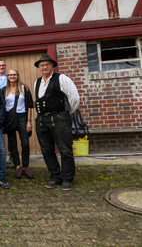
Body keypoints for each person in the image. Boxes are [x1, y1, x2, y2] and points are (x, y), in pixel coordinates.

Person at [34, 54, 80, 191]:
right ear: (39, 67)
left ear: (52, 66)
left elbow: (74, 98)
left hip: (59, 119)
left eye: (47, 64)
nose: (45, 67)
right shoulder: (37, 82)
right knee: (46, 150)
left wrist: (64, 114)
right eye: (42, 65)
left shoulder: (61, 78)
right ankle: (55, 176)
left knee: (65, 150)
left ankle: (67, 178)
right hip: (42, 120)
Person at [2, 69, 35, 179]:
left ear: (17, 76)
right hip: (10, 118)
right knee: (13, 144)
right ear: (8, 77)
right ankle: (17, 166)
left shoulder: (24, 88)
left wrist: (29, 121)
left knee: (25, 142)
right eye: (10, 75)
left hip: (22, 117)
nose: (12, 76)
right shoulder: (4, 90)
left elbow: (30, 105)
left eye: (14, 74)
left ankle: (25, 166)